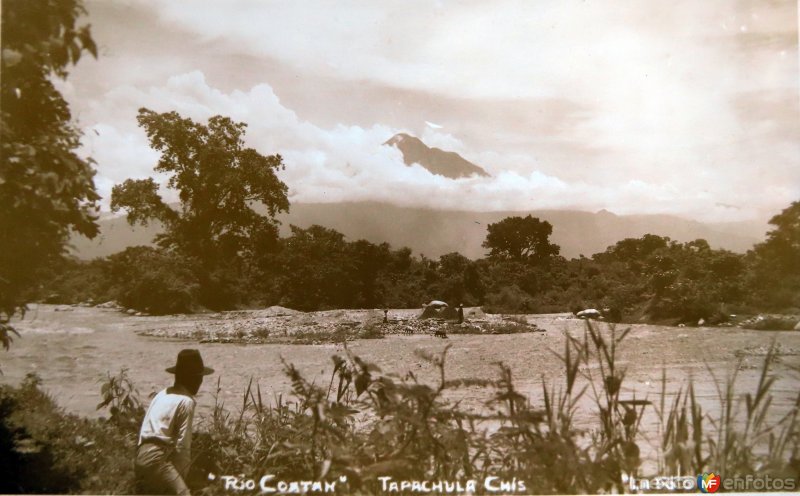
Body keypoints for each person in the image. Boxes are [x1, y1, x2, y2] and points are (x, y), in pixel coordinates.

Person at [135, 349, 214, 495]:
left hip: (140, 457)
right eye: (199, 378)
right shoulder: (186, 401)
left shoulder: (162, 394)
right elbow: (183, 446)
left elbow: (145, 429)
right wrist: (181, 481)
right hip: (157, 458)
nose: (200, 382)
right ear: (193, 379)